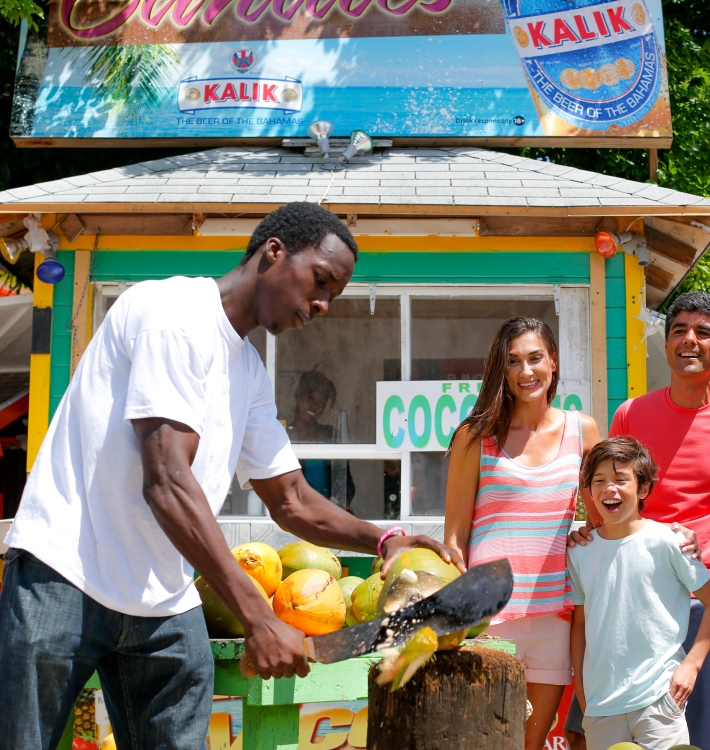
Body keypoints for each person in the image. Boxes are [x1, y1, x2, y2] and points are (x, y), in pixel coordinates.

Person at [0, 202, 458, 750]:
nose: (322, 304)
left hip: (163, 603)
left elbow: (291, 499)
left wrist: (382, 537)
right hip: (65, 575)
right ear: (273, 251)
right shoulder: (171, 312)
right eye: (320, 281)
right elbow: (167, 480)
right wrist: (256, 615)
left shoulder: (248, 372)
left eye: (332, 295)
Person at [567, 291, 710, 750]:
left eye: (703, 332)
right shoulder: (631, 413)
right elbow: (609, 484)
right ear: (665, 345)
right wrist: (591, 526)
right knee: (593, 735)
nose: (689, 340)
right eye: (679, 330)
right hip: (629, 600)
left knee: (699, 743)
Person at [443, 316, 602, 750]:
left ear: (553, 361)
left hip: (555, 615)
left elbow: (609, 506)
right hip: (489, 617)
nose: (526, 371)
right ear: (501, 368)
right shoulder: (475, 435)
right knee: (485, 742)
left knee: (529, 745)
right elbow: (454, 538)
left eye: (535, 358)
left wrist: (586, 532)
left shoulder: (582, 430)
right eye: (513, 361)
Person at [569, 436, 710, 750]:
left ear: (643, 489)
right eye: (599, 480)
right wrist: (583, 693)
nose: (609, 488)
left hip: (659, 700)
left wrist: (691, 665)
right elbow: (580, 625)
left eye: (620, 479)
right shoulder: (579, 551)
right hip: (601, 707)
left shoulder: (668, 541)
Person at [288, 370, 355, 514]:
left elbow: (347, 487)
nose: (315, 407)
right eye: (310, 398)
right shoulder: (284, 435)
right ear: (297, 395)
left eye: (322, 403)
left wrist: (335, 501)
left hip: (328, 514)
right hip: (296, 514)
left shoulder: (330, 436)